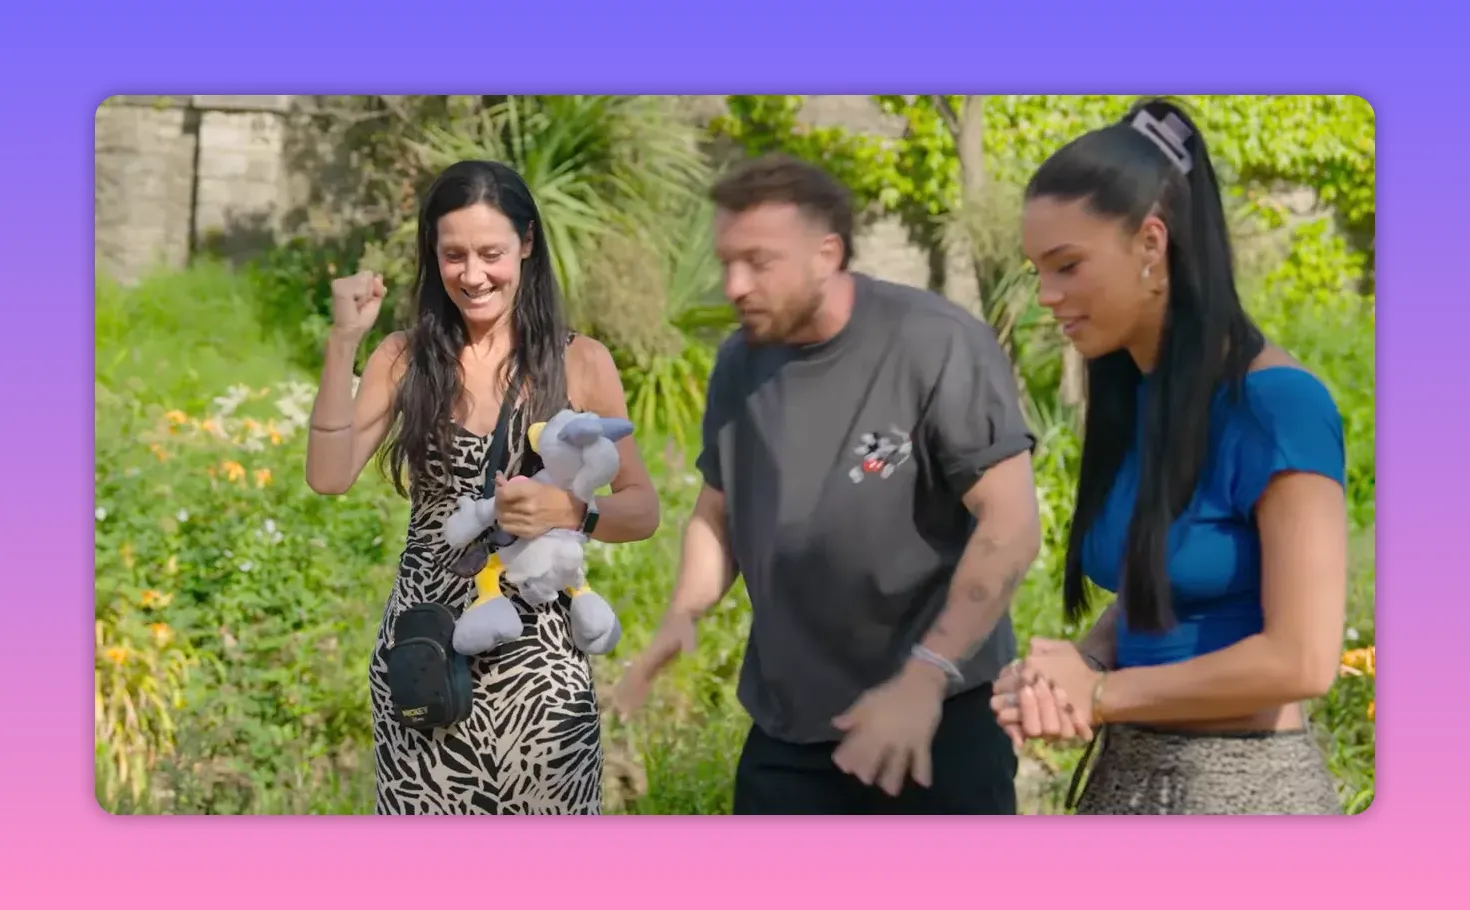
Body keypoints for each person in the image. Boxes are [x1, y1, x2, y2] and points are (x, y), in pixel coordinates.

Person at [613, 153, 1041, 815]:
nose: (734, 284)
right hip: (792, 732)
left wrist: (927, 676)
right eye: (727, 261)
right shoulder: (740, 364)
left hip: (936, 714)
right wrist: (682, 614)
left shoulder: (935, 343)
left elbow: (1010, 526)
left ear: (827, 253)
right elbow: (718, 512)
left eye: (758, 261)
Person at [991, 98, 1348, 815]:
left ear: (1151, 244)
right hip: (1127, 782)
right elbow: (1158, 590)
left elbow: (1304, 660)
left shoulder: (1278, 407)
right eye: (1038, 272)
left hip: (1245, 801)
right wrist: (1078, 666)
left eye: (1067, 266)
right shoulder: (1141, 396)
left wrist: (1101, 692)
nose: (1047, 297)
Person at [305, 160, 659, 815]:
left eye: (491, 254)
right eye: (454, 255)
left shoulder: (580, 361)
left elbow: (643, 510)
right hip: (426, 659)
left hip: (542, 678)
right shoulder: (403, 358)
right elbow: (328, 475)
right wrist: (342, 342)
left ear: (527, 243)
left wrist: (572, 512)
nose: (473, 276)